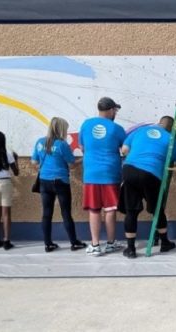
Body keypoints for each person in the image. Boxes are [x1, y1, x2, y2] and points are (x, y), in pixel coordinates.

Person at [119, 116, 176, 258]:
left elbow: (125, 150)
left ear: (158, 123)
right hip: (151, 174)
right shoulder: (171, 140)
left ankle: (131, 248)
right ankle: (164, 242)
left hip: (130, 170)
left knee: (131, 211)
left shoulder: (141, 131)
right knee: (157, 210)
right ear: (171, 129)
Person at [79, 97, 126, 256]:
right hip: (110, 172)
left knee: (94, 209)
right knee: (111, 209)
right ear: (111, 110)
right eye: (115, 110)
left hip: (91, 173)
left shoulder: (86, 124)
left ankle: (95, 245)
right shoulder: (117, 128)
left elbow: (82, 147)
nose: (116, 113)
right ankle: (111, 243)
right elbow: (125, 149)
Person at [32, 117, 87, 253]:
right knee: (66, 213)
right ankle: (74, 243)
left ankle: (48, 244)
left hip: (44, 181)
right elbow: (72, 165)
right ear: (61, 129)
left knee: (46, 213)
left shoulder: (40, 142)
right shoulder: (62, 144)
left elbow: (34, 162)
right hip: (60, 182)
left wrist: (45, 169)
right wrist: (82, 160)